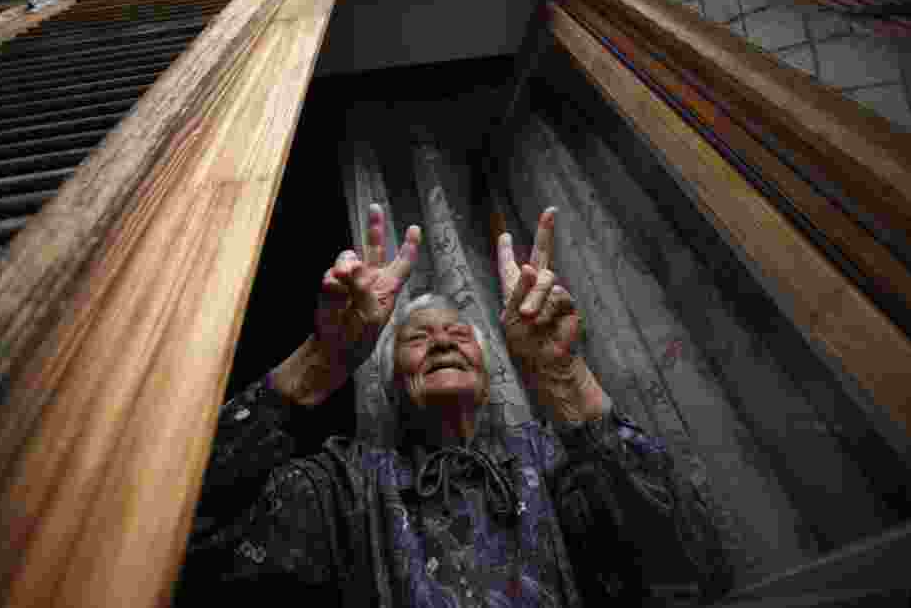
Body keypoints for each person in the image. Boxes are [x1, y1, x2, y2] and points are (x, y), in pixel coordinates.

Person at [176, 205, 731, 607]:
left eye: (458, 334)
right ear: (392, 376)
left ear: (489, 374)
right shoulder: (347, 484)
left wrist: (564, 376)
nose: (442, 341)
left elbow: (693, 567)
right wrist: (321, 361)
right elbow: (184, 542)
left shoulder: (547, 459)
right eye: (418, 337)